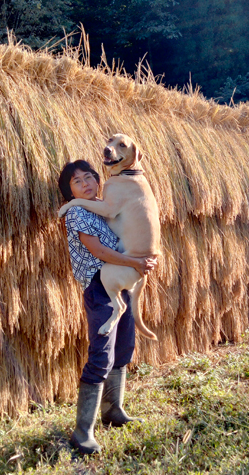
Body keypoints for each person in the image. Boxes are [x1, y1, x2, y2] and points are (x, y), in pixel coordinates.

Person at [58, 159, 158, 455]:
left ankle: (113, 411)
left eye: (90, 177)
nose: (87, 183)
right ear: (70, 191)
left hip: (120, 285)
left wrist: (144, 259)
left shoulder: (104, 206)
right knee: (101, 353)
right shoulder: (76, 212)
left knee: (124, 347)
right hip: (98, 288)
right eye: (78, 181)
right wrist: (135, 263)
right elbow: (99, 251)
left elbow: (130, 235)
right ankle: (82, 431)